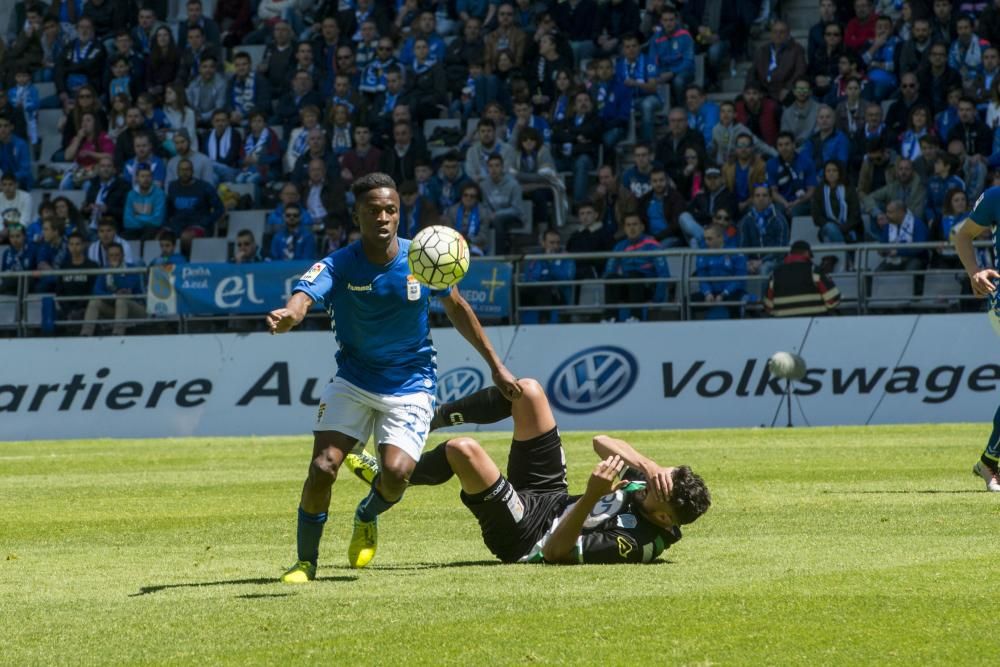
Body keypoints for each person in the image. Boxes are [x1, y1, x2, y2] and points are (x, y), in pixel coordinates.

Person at [266, 172, 522, 581]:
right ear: (357, 216)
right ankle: (305, 563)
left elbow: (457, 308)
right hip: (353, 379)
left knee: (397, 475)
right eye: (373, 210)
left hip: (411, 383)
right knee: (323, 467)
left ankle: (367, 513)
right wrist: (289, 316)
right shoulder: (340, 263)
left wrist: (496, 365)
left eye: (391, 210)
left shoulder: (421, 259)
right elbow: (302, 299)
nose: (383, 217)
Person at [345, 376, 710, 564]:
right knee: (528, 392)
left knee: (464, 451)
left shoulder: (636, 543)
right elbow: (601, 441)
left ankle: (389, 477)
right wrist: (647, 464)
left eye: (652, 489)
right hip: (549, 495)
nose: (646, 485)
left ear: (663, 518)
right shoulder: (655, 486)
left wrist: (593, 496)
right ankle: (432, 418)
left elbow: (555, 552)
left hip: (525, 534)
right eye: (653, 480)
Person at [952, 185, 1000, 491]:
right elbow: (963, 235)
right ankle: (989, 463)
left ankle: (988, 462)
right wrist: (974, 272)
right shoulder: (996, 197)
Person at [603, 212, 670, 322]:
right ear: (624, 228)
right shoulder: (620, 246)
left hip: (646, 289)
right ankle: (610, 318)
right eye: (628, 225)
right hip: (628, 288)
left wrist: (657, 300)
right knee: (611, 278)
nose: (632, 228)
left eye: (635, 224)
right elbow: (609, 270)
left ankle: (635, 317)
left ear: (642, 227)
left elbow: (664, 274)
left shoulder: (653, 245)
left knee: (635, 275)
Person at [80, 242, 145, 336]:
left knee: (121, 300)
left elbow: (126, 287)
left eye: (117, 255)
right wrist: (112, 295)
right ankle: (85, 334)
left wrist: (115, 272)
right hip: (115, 307)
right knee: (94, 302)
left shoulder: (132, 269)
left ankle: (117, 334)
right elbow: (97, 291)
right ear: (107, 257)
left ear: (123, 255)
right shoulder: (105, 270)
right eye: (111, 255)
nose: (114, 257)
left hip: (136, 308)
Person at [764, 240, 841, 316]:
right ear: (807, 253)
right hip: (813, 323)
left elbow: (768, 307)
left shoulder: (775, 274)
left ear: (790, 255)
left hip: (784, 325)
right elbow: (833, 300)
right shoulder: (814, 271)